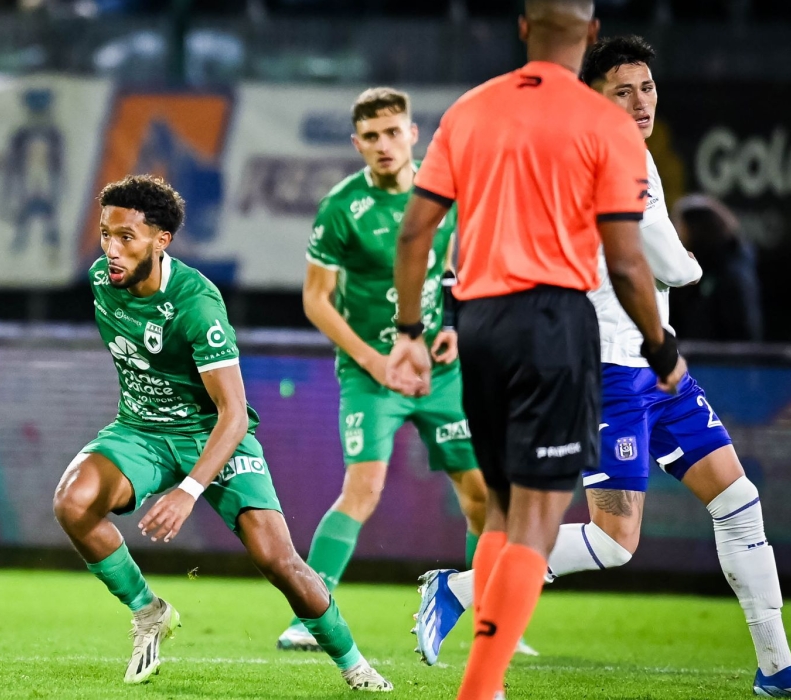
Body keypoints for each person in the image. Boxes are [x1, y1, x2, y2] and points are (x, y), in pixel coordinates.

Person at [412, 35, 791, 697]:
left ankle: (776, 667)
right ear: (594, 97)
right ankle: (458, 589)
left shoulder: (623, 151)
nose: (640, 101)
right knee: (616, 539)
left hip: (655, 366)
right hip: (608, 371)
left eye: (647, 87)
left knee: (738, 499)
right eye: (623, 91)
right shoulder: (608, 152)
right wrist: (691, 266)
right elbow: (668, 260)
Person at [386, 2, 687, 699]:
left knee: (500, 506)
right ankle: (480, 688)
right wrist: (660, 346)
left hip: (481, 324)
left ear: (523, 29)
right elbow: (627, 261)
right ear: (590, 34)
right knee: (537, 520)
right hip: (555, 324)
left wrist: (409, 333)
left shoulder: (471, 110)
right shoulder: (605, 126)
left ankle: (480, 669)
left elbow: (416, 233)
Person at [51, 174, 392, 692]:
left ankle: (354, 664)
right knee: (73, 504)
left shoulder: (197, 303)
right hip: (142, 430)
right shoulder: (103, 280)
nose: (111, 250)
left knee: (277, 560)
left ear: (161, 241)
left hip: (212, 434)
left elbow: (233, 413)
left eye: (126, 237)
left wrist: (189, 490)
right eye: (105, 234)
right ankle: (149, 611)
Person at [276, 87, 498, 654]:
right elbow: (316, 300)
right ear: (356, 144)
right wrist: (372, 359)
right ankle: (310, 616)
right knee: (363, 488)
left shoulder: (442, 192)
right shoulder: (341, 208)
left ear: (413, 134)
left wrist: (454, 326)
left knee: (480, 494)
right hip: (370, 373)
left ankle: (488, 619)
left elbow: (454, 267)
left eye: (393, 132)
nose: (383, 144)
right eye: (371, 136)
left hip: (438, 372)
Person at [670, 194, 764, 342]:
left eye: (680, 227)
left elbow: (743, 333)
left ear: (697, 229)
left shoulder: (732, 275)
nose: (676, 234)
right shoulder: (694, 272)